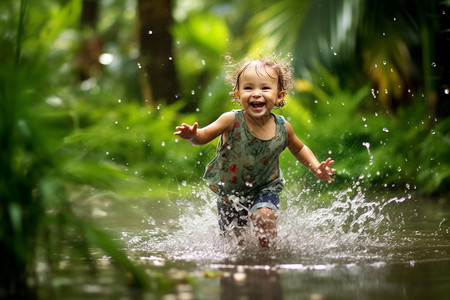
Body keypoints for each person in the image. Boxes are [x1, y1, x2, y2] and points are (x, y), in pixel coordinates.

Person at [174, 56, 335, 248]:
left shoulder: (283, 127)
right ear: (237, 94)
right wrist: (193, 135)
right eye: (248, 88)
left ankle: (268, 258)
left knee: (264, 217)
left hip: (265, 187)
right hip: (230, 192)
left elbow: (299, 148)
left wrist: (315, 166)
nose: (256, 94)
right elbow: (203, 136)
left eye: (265, 88)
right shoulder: (230, 120)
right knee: (234, 244)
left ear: (279, 96)